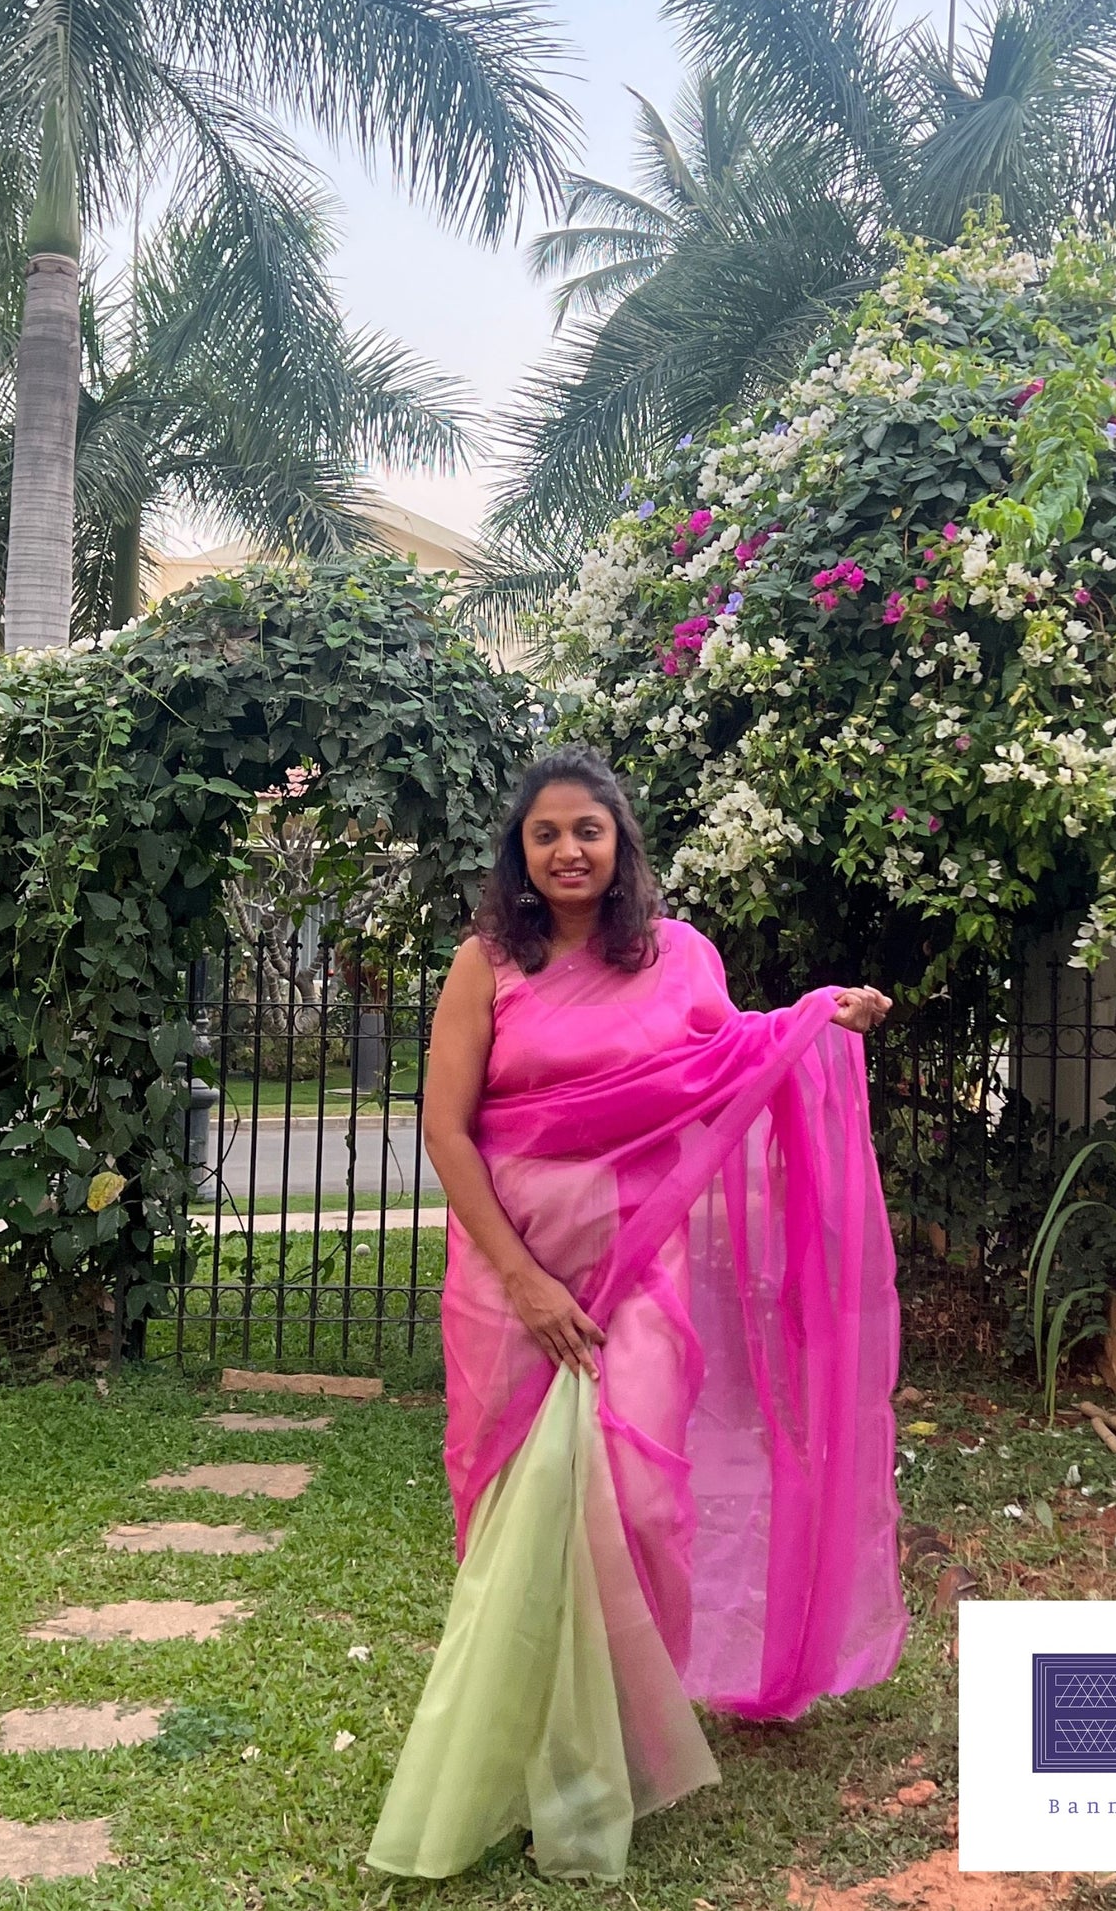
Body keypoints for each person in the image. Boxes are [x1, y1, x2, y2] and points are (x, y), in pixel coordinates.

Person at [367, 744, 906, 1883]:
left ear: (620, 847)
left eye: (588, 830)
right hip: (513, 1281)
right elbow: (446, 1128)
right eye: (545, 833)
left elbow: (729, 1060)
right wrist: (521, 1278)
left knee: (643, 1502)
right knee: (529, 1512)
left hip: (637, 1269)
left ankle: (614, 1738)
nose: (567, 849)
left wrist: (821, 1015)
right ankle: (520, 1748)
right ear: (518, 853)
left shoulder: (677, 957)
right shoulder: (485, 963)